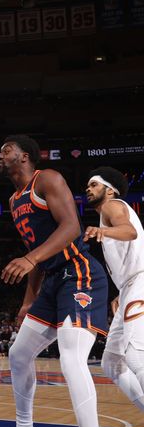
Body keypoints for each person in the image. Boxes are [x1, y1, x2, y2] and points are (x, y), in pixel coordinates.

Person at [0, 135, 108, 427]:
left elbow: (71, 227)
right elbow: (36, 252)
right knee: (18, 354)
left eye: (7, 150)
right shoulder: (13, 200)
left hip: (80, 272)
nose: (0, 154)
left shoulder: (46, 179)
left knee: (71, 358)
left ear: (25, 157)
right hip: (52, 280)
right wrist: (28, 300)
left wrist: (31, 258)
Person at [84, 167, 144, 412]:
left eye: (94, 185)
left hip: (140, 281)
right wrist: (121, 291)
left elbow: (128, 231)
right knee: (111, 362)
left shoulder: (112, 205)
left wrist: (102, 231)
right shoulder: (107, 213)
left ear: (110, 189)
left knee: (135, 354)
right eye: (87, 186)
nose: (88, 189)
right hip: (131, 285)